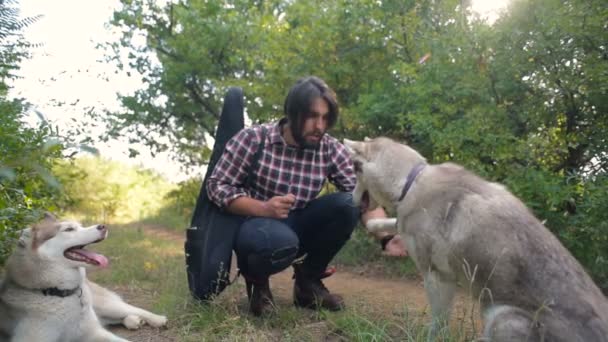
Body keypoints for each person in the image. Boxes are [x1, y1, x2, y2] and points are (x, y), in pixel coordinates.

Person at [206, 76, 405, 317]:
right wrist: (262, 208)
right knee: (274, 240)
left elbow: (362, 198)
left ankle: (307, 283)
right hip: (256, 224)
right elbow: (217, 186)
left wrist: (386, 237)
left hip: (300, 222)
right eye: (312, 116)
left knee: (346, 204)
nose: (319, 126)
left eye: (325, 118)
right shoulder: (254, 139)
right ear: (292, 114)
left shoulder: (330, 148)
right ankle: (258, 287)